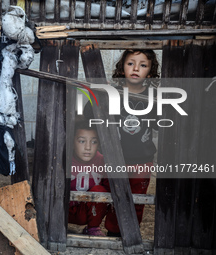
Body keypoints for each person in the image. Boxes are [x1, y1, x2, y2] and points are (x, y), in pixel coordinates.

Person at [84, 49, 160, 237]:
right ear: (122, 68)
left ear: (149, 73)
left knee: (136, 199)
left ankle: (124, 232)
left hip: (142, 160)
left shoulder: (153, 96)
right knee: (110, 194)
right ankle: (98, 226)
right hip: (113, 157)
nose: (136, 68)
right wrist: (99, 94)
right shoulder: (113, 93)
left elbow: (160, 123)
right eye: (130, 63)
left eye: (143, 65)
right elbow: (89, 114)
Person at [68, 121, 108, 236]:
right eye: (82, 141)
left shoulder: (103, 161)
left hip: (87, 212)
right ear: (72, 142)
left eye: (94, 142)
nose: (88, 147)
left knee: (101, 190)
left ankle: (93, 228)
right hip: (64, 210)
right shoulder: (64, 160)